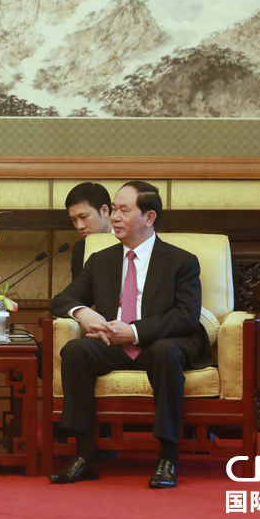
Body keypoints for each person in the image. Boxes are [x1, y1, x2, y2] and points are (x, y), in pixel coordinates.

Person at [48, 181, 214, 488]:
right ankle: (84, 455)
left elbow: (186, 316)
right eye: (115, 209)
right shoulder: (101, 260)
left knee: (165, 353)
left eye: (124, 210)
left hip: (161, 343)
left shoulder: (181, 261)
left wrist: (134, 331)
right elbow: (62, 300)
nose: (115, 217)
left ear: (149, 217)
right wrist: (83, 313)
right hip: (115, 345)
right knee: (76, 351)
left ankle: (167, 458)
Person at [64, 182, 114, 279]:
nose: (79, 226)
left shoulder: (128, 242)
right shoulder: (80, 248)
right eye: (74, 220)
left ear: (104, 211)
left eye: (84, 217)